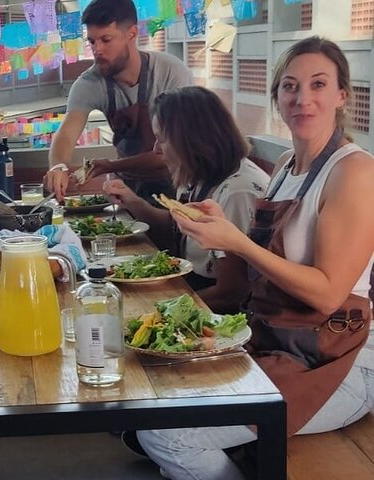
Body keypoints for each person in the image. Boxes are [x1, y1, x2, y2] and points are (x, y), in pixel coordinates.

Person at [135, 37, 374, 480]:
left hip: (337, 361)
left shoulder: (355, 172)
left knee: (167, 434)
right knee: (152, 387)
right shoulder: (286, 165)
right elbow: (259, 267)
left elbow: (327, 296)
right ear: (277, 97)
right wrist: (222, 227)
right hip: (275, 341)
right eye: (290, 86)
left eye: (318, 84)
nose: (303, 98)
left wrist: (239, 243)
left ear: (342, 95)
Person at [104, 86, 270, 313]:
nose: (155, 150)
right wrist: (132, 200)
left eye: (161, 140)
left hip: (220, 314)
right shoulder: (198, 174)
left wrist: (155, 311)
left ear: (190, 142)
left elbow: (232, 292)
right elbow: (176, 228)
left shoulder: (237, 192)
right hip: (188, 289)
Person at [44, 0, 191, 202]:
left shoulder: (171, 72)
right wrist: (58, 167)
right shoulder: (89, 83)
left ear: (131, 33)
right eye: (92, 42)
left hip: (177, 184)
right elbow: (66, 135)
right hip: (127, 189)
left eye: (106, 39)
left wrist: (112, 165)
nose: (97, 50)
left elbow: (173, 151)